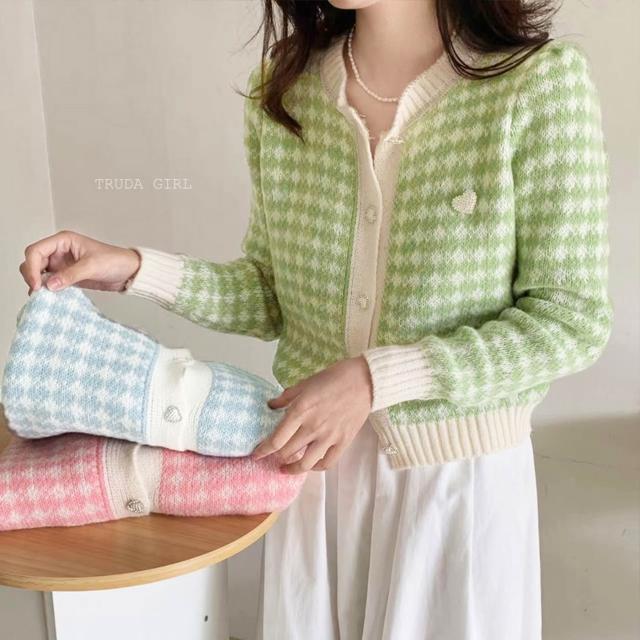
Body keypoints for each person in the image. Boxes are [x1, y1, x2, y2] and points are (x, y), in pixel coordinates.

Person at [20, 0, 612, 638]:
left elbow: (569, 319)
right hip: (311, 476)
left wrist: (373, 380)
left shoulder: (535, 84)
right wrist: (135, 269)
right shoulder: (286, 93)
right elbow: (270, 295)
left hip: (453, 488)